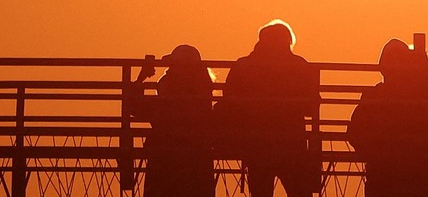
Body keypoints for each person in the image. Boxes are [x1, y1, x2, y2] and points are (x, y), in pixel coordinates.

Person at [218, 21, 320, 197]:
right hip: (291, 141)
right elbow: (311, 106)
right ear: (288, 41)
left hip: (256, 141)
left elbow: (229, 102)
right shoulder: (299, 65)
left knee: (260, 189)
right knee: (299, 191)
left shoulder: (244, 66)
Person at [347, 39, 428, 197]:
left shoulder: (374, 96)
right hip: (424, 177)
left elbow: (354, 133)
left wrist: (375, 155)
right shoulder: (424, 94)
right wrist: (426, 72)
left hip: (384, 176)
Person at [125, 45, 215, 197]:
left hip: (163, 158)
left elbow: (135, 107)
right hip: (198, 159)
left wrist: (141, 79)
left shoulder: (165, 105)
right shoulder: (202, 100)